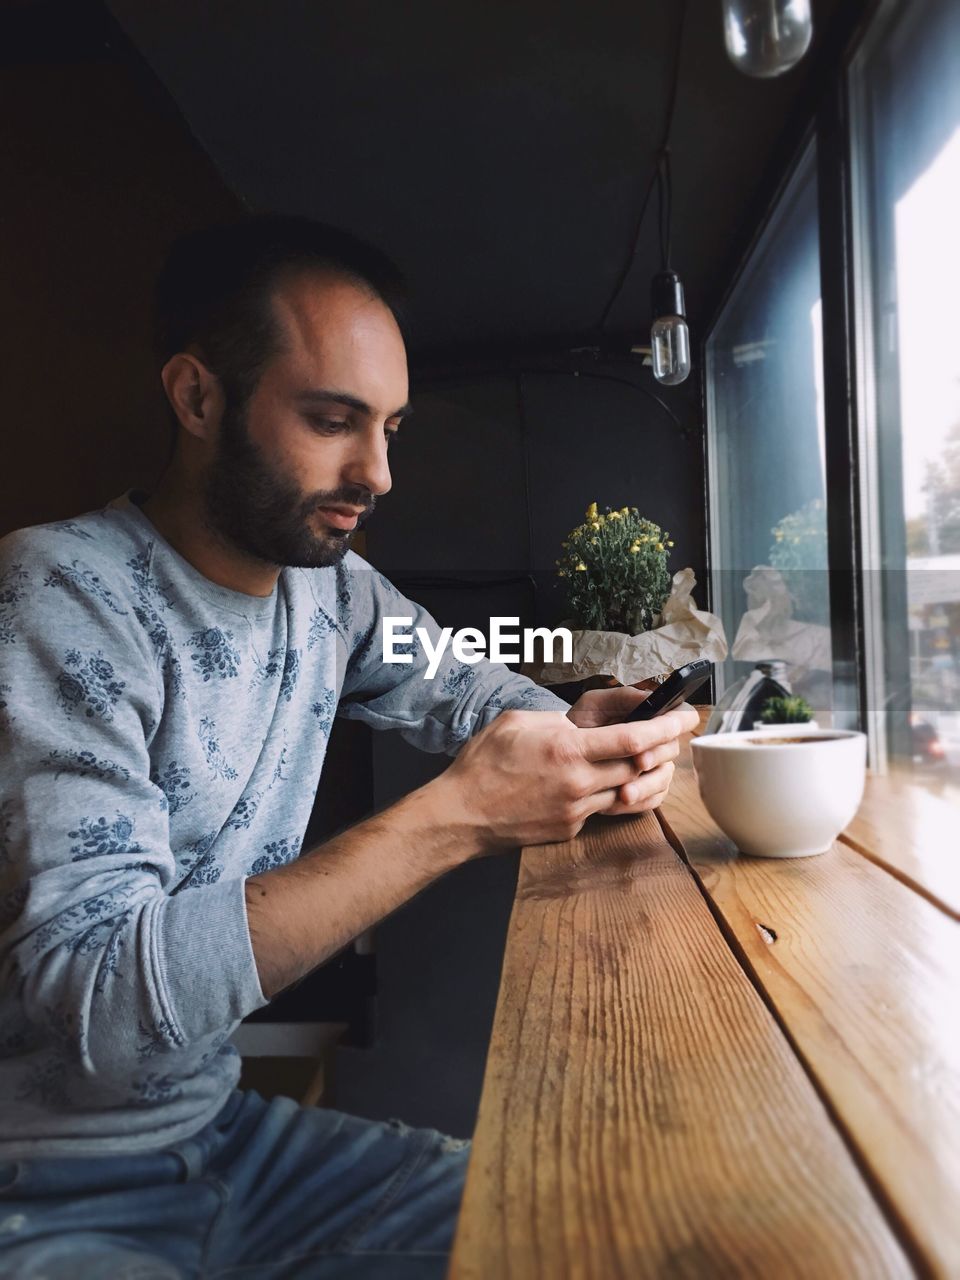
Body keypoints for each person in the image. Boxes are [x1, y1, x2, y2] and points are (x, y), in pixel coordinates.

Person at [0, 215, 697, 1278]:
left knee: (575, 1236)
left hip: (223, 1138)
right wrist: (455, 817)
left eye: (392, 429)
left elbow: (468, 691)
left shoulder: (333, 589)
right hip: (41, 1188)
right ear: (196, 398)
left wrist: (585, 722)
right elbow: (103, 1006)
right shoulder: (59, 595)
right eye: (332, 420)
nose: (375, 473)